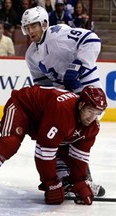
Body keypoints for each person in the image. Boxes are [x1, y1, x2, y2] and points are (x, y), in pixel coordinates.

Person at [0, 85, 107, 205]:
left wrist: (80, 182)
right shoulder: (63, 112)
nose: (92, 118)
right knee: (9, 144)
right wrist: (51, 184)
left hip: (44, 120)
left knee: (65, 145)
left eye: (97, 113)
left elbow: (78, 158)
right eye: (89, 111)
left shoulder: (92, 127)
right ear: (81, 105)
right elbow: (44, 152)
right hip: (22, 107)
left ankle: (66, 182)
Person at [20, 6, 105, 195]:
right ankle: (63, 176)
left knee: (80, 135)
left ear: (44, 24)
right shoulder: (31, 55)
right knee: (57, 132)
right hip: (66, 96)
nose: (31, 31)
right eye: (27, 27)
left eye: (34, 26)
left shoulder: (59, 34)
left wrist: (77, 67)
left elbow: (92, 40)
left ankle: (83, 180)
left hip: (87, 89)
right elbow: (43, 85)